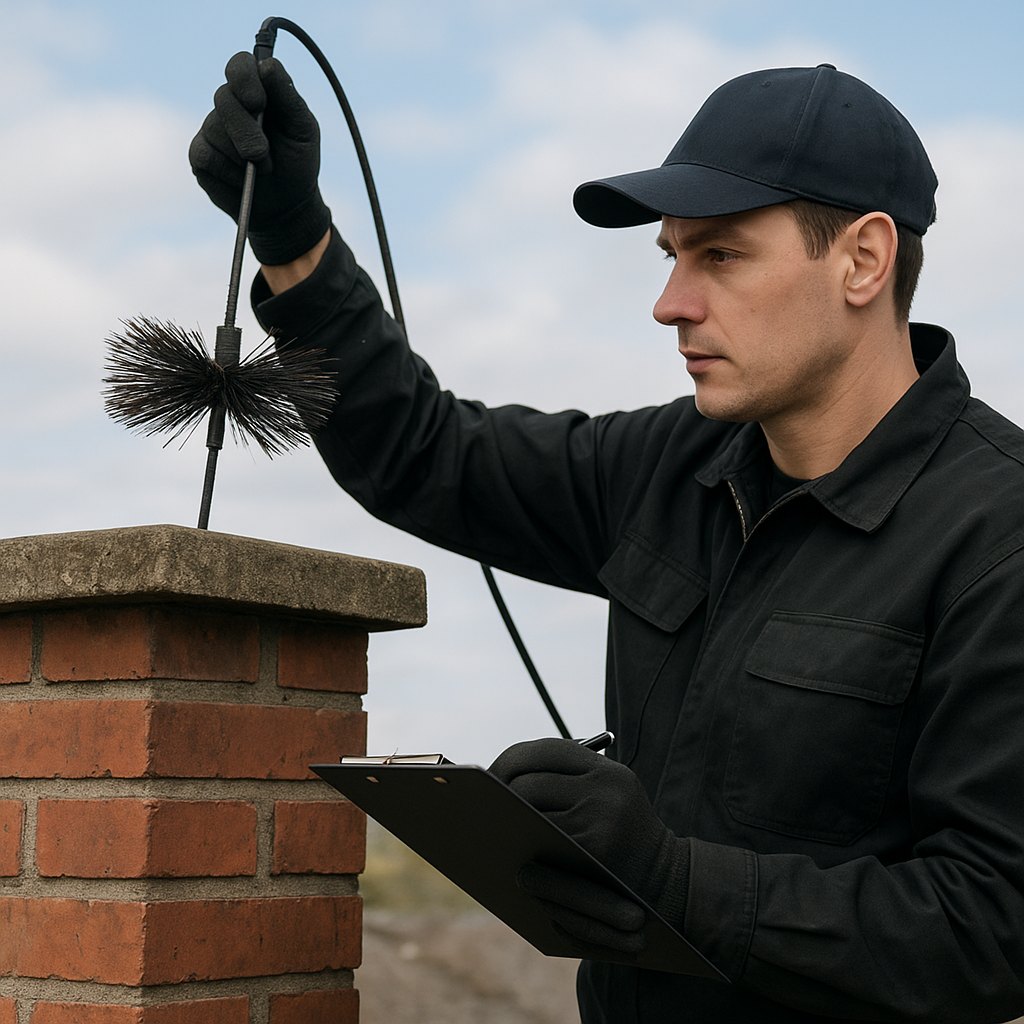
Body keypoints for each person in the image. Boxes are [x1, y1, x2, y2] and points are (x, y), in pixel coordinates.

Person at [191, 56, 1024, 1023]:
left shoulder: (996, 534)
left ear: (864, 260)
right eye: (670, 256)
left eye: (720, 256)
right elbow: (422, 453)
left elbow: (994, 927)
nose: (671, 301)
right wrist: (295, 242)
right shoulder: (672, 462)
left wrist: (671, 880)